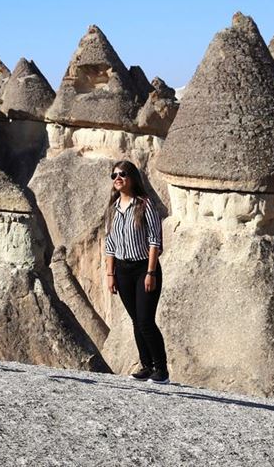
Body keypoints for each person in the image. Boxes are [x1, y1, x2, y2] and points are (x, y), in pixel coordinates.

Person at [103, 161, 169, 384]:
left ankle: (161, 370)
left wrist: (151, 272)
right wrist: (110, 275)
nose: (117, 178)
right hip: (122, 270)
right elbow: (109, 243)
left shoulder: (144, 205)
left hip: (144, 268)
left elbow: (155, 241)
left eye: (122, 174)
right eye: (114, 175)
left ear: (132, 177)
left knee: (145, 320)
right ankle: (146, 366)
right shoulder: (113, 209)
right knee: (135, 320)